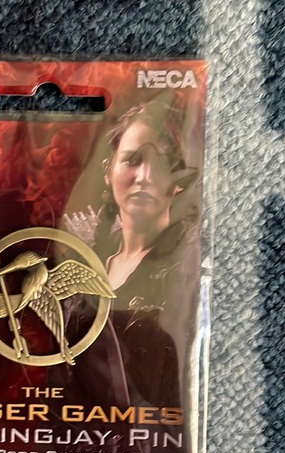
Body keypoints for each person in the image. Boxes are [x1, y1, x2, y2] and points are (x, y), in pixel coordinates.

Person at [54, 90, 201, 411]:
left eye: (161, 162)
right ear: (109, 171)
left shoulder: (188, 268)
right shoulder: (83, 262)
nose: (144, 177)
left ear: (178, 179)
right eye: (132, 160)